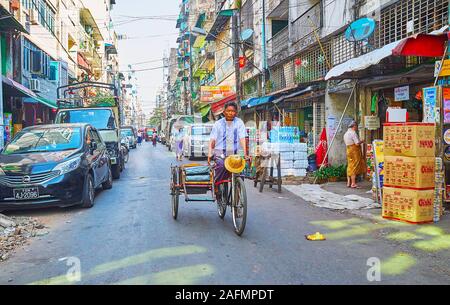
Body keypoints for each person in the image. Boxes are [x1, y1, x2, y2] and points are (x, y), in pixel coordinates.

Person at [208, 102, 248, 194]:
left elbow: (242, 138)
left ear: (236, 112)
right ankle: (217, 184)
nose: (230, 113)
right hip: (220, 151)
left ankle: (238, 192)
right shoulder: (218, 124)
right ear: (224, 112)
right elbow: (212, 139)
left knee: (240, 169)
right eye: (228, 111)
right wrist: (210, 153)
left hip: (235, 152)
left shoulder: (239, 123)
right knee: (222, 165)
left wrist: (245, 154)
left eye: (233, 111)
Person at [344, 121, 365, 189]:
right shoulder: (353, 133)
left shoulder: (346, 133)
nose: (356, 128)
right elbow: (357, 143)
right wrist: (362, 141)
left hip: (348, 150)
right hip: (354, 151)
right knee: (354, 166)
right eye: (356, 126)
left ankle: (348, 182)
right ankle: (353, 183)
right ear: (354, 126)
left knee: (350, 165)